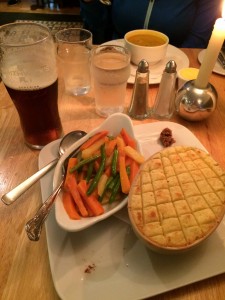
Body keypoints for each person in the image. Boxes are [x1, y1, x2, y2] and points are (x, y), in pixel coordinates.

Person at [79, 0, 222, 48]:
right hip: (117, 60)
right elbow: (97, 25)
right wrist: (89, 2)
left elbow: (197, 41)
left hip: (175, 69)